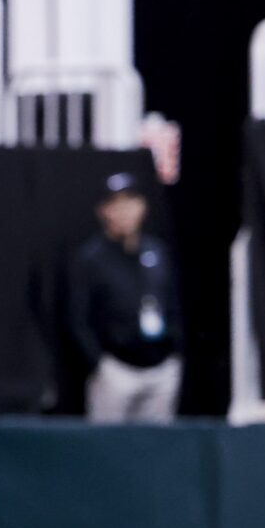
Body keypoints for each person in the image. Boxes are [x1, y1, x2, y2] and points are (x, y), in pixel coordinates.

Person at [69, 172, 183, 423]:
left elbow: (172, 303)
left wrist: (175, 351)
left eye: (130, 202)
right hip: (117, 371)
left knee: (156, 448)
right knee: (109, 447)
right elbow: (77, 318)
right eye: (116, 204)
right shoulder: (90, 259)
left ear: (143, 206)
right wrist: (100, 364)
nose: (124, 211)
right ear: (103, 211)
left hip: (161, 367)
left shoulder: (156, 252)